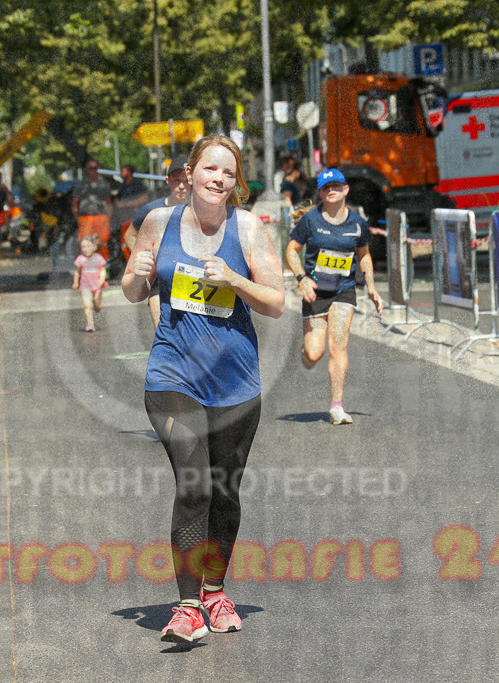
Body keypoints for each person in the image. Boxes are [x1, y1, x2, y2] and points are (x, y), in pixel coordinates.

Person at [122, 135, 284, 643]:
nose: (218, 179)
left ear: (236, 184)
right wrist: (135, 273)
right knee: (193, 483)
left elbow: (276, 303)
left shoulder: (249, 228)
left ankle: (215, 590)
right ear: (189, 174)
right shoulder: (158, 223)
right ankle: (188, 606)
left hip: (236, 383)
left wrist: (235, 279)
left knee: (223, 491)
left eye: (229, 174)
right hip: (173, 376)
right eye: (210, 169)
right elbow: (132, 291)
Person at [285, 167, 385, 425]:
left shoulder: (358, 224)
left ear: (346, 190)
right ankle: (306, 351)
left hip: (344, 290)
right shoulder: (311, 221)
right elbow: (292, 251)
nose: (332, 190)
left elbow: (364, 256)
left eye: (336, 186)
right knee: (315, 353)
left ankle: (337, 406)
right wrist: (301, 278)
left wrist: (372, 287)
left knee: (338, 346)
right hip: (316, 291)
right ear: (320, 193)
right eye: (326, 188)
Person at [123, 156, 191, 327]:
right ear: (168, 181)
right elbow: (130, 235)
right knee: (163, 330)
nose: (181, 186)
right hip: (159, 280)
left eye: (185, 181)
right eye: (176, 181)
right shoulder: (152, 210)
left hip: (189, 277)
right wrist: (145, 258)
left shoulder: (202, 210)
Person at [72, 159, 113, 260]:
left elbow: (108, 203)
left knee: (102, 242)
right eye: (90, 168)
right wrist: (78, 218)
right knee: (85, 243)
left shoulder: (103, 184)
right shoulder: (81, 185)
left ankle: (104, 270)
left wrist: (109, 218)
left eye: (95, 168)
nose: (93, 170)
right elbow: (75, 202)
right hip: (86, 217)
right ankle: (86, 269)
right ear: (86, 169)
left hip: (101, 217)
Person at [72, 235, 108, 332]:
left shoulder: (98, 258)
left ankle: (97, 305)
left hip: (97, 285)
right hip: (85, 286)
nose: (85, 249)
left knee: (97, 304)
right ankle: (90, 324)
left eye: (88, 246)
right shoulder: (80, 259)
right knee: (87, 305)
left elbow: (102, 270)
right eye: (83, 247)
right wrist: (76, 282)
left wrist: (101, 281)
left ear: (94, 247)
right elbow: (77, 272)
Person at [114, 163, 149, 228]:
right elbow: (117, 198)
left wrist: (126, 204)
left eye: (123, 171)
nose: (121, 173)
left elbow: (144, 198)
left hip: (134, 217)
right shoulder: (122, 186)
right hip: (124, 218)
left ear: (129, 172)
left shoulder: (137, 184)